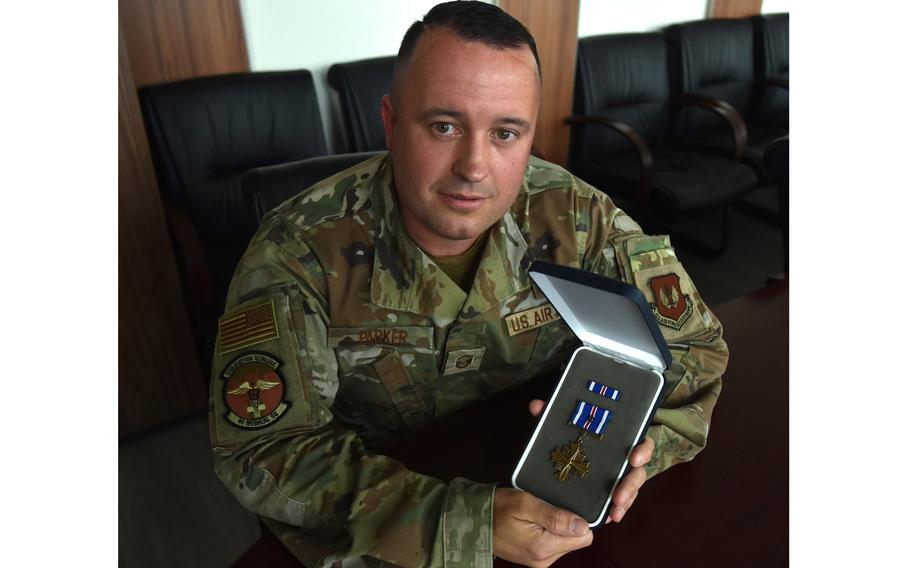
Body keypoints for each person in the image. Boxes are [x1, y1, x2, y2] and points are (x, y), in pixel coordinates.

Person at [209, 2, 728, 567]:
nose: (475, 166)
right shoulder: (296, 252)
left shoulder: (576, 214)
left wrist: (639, 449)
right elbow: (265, 450)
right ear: (389, 122)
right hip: (385, 532)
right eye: (444, 126)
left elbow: (695, 348)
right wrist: (468, 525)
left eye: (506, 133)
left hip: (544, 484)